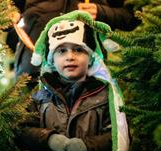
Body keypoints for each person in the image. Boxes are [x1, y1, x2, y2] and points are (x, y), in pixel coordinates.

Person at [15, 11, 130, 151]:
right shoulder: (39, 96)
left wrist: (87, 146)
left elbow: (115, 137)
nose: (70, 56)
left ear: (91, 56)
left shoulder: (106, 96)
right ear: (51, 58)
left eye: (78, 50)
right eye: (61, 51)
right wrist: (48, 139)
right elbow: (21, 130)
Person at [7, 0, 140, 89]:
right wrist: (9, 14)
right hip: (34, 65)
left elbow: (135, 14)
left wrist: (101, 12)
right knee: (30, 122)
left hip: (88, 68)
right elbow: (4, 7)